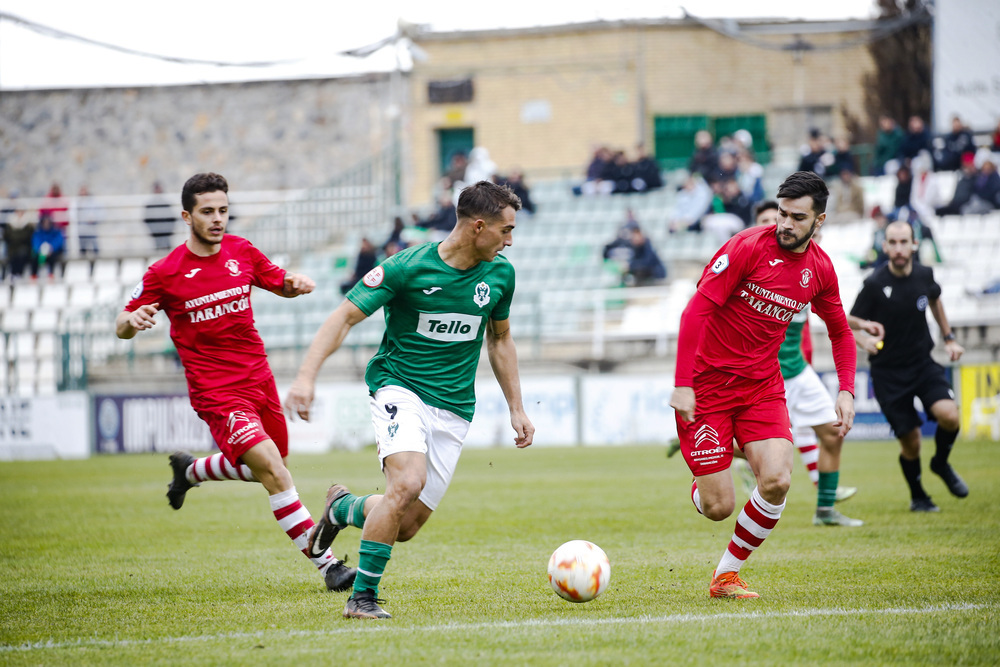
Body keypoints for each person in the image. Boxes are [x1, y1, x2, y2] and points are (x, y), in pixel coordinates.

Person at [284, 180, 535, 620]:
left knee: (407, 524)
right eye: (505, 230)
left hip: (455, 407)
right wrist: (306, 377)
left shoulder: (500, 274)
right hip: (400, 388)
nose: (510, 241)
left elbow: (501, 339)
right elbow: (344, 316)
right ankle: (361, 598)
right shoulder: (406, 268)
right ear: (479, 227)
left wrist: (516, 406)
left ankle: (342, 508)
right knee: (406, 483)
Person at [115, 173, 356, 594]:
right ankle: (329, 567)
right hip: (216, 392)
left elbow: (276, 280)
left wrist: (293, 285)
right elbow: (122, 322)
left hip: (258, 380)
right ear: (187, 215)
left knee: (266, 467)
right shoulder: (165, 271)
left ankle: (191, 471)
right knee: (275, 472)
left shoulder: (241, 251)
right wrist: (131, 322)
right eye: (207, 212)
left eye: (223, 211)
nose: (218, 219)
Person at [668, 171, 856, 599]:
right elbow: (694, 313)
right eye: (782, 214)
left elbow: (841, 333)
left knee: (776, 480)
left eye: (797, 217)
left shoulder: (820, 269)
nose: (785, 224)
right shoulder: (747, 247)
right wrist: (683, 385)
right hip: (708, 385)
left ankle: (726, 576)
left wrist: (845, 389)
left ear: (819, 221)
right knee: (719, 507)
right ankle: (705, 473)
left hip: (762, 387)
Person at [751, 200, 862, 526]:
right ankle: (708, 448)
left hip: (797, 371)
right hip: (761, 376)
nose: (782, 226)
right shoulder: (752, 260)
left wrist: (861, 336)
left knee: (832, 432)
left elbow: (834, 318)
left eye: (787, 218)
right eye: (772, 221)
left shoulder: (810, 267)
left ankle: (825, 510)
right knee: (766, 448)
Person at [848, 221, 967, 512]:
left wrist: (949, 338)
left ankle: (940, 463)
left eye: (904, 242)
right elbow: (847, 320)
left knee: (950, 416)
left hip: (922, 363)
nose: (899, 249)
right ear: (885, 246)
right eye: (893, 243)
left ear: (914, 244)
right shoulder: (874, 283)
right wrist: (863, 336)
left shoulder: (925, 275)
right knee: (911, 441)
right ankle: (919, 497)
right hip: (888, 373)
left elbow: (936, 302)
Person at [144, 181, 177, 252]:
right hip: (156, 233)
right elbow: (147, 219)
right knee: (158, 251)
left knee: (167, 251)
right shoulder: (150, 204)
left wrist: (169, 230)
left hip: (166, 232)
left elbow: (172, 218)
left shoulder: (166, 202)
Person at [31, 213, 66, 280]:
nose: (46, 224)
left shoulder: (56, 231)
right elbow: (35, 241)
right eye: (44, 222)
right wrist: (40, 249)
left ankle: (51, 275)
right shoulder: (38, 232)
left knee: (52, 257)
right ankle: (34, 276)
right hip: (40, 252)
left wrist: (51, 248)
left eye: (47, 222)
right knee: (34, 258)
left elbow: (59, 241)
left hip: (52, 251)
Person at [77, 185, 102, 257]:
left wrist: (94, 218)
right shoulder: (77, 202)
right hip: (81, 230)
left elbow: (99, 214)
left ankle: (95, 263)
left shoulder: (93, 202)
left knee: (95, 248)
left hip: (91, 230)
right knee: (83, 250)